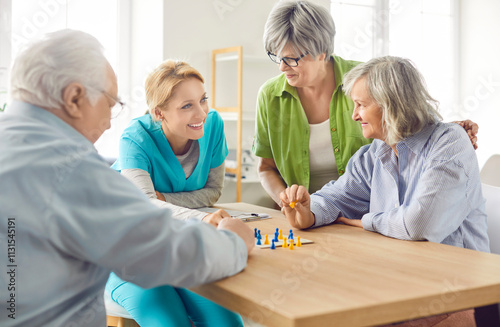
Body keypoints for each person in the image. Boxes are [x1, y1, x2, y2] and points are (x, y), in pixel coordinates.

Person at [0, 29, 254, 327]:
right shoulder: (71, 170)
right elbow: (163, 249)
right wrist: (233, 240)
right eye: (110, 104)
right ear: (74, 98)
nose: (109, 123)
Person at [281, 56, 487, 325]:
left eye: (361, 105)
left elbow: (418, 224)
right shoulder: (375, 153)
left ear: (391, 105)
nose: (354, 115)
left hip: (456, 294)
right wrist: (309, 211)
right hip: (402, 281)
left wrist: (362, 222)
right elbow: (335, 196)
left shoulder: (450, 143)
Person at [252, 0, 479, 207]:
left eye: (290, 59)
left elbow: (416, 122)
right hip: (308, 214)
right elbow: (266, 168)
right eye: (276, 56)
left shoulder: (365, 80)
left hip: (371, 214)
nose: (281, 67)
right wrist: (289, 205)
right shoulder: (270, 96)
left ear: (321, 52)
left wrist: (451, 132)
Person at [106, 60, 244, 326]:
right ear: (159, 113)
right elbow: (144, 206)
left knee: (227, 322)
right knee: (171, 322)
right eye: (186, 106)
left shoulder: (212, 125)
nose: (201, 113)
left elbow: (213, 191)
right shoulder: (135, 139)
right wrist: (201, 219)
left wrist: (166, 200)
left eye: (202, 100)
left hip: (181, 249)